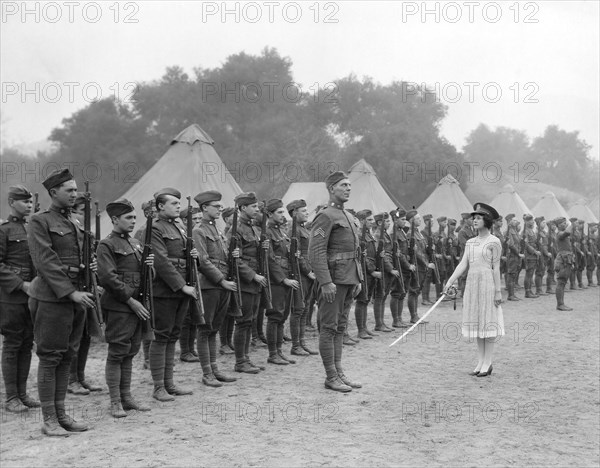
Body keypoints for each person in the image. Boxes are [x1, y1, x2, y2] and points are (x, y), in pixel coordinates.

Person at [28, 169, 93, 436]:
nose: (74, 194)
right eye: (69, 190)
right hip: (53, 298)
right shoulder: (38, 221)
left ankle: (61, 414)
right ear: (54, 192)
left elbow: (78, 258)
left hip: (76, 297)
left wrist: (91, 268)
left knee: (68, 355)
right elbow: (45, 262)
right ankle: (49, 419)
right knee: (51, 356)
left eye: (76, 190)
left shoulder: (75, 222)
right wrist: (70, 293)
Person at [96, 198, 153, 417]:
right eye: (128, 218)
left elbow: (147, 278)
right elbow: (108, 278)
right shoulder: (106, 245)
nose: (132, 221)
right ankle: (115, 402)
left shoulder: (136, 244)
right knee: (118, 352)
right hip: (121, 306)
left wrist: (150, 267)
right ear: (114, 219)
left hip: (138, 305)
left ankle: (127, 397)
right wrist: (131, 301)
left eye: (134, 218)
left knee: (131, 351)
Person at [308, 171, 362, 392]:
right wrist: (325, 281)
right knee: (328, 328)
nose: (348, 188)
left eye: (350, 185)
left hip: (348, 279)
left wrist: (358, 279)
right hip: (334, 281)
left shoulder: (347, 216)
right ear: (331, 189)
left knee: (340, 328)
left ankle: (339, 372)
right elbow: (316, 251)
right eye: (343, 185)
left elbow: (356, 251)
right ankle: (331, 376)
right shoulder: (325, 216)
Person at [444, 203, 504, 377]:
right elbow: (464, 264)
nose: (475, 220)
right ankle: (480, 361)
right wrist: (450, 282)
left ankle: (488, 361)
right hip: (472, 284)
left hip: (487, 284)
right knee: (477, 323)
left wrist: (498, 291)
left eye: (479, 218)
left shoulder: (494, 241)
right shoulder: (470, 242)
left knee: (488, 321)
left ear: (487, 221)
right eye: (474, 218)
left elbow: (496, 267)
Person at [149, 188, 195, 402]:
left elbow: (181, 256)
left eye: (179, 203)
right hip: (164, 290)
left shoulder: (179, 227)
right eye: (174, 203)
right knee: (161, 336)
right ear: (160, 206)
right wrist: (181, 285)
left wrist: (192, 253)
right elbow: (161, 260)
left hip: (182, 288)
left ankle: (169, 383)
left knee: (173, 336)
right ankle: (158, 387)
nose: (178, 206)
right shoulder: (155, 228)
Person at [0, 185, 40, 413]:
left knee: (26, 343)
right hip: (11, 297)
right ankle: (11, 397)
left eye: (30, 201)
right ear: (11, 202)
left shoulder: (32, 228)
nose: (28, 205)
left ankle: (23, 394)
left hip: (32, 296)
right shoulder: (3, 230)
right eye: (24, 201)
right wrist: (21, 284)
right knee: (13, 344)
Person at [192, 191, 238, 387]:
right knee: (205, 330)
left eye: (220, 206)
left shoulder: (218, 231)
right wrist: (221, 281)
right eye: (216, 206)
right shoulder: (199, 231)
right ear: (204, 208)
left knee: (214, 329)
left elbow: (222, 257)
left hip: (222, 284)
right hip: (210, 285)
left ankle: (214, 368)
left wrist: (233, 254)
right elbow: (203, 261)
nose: (220, 209)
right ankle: (207, 373)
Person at [229, 192, 269, 374]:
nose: (256, 209)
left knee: (250, 321)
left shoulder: (253, 228)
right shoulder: (235, 230)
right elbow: (235, 259)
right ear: (243, 208)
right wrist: (253, 276)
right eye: (253, 206)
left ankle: (245, 359)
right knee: (243, 321)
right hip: (244, 281)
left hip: (254, 281)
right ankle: (240, 362)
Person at [67, 193, 103, 395]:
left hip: (86, 287)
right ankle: (70, 380)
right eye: (82, 212)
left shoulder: (84, 232)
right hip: (73, 289)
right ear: (73, 212)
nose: (85, 217)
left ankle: (80, 377)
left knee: (85, 335)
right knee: (74, 336)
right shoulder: (71, 231)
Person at [264, 199, 299, 364]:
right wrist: (283, 279)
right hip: (276, 279)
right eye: (279, 212)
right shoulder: (267, 232)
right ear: (269, 214)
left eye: (283, 212)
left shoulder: (281, 232)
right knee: (275, 316)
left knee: (282, 316)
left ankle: (279, 351)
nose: (282, 215)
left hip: (286, 276)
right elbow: (270, 259)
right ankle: (272, 354)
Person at [286, 199, 318, 356]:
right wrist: (308, 272)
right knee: (298, 309)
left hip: (308, 273)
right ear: (294, 213)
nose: (306, 213)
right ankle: (296, 345)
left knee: (304, 308)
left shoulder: (303, 229)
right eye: (303, 210)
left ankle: (302, 342)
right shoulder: (293, 230)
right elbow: (296, 255)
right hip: (300, 273)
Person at [554, 217, 575, 311]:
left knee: (563, 282)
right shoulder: (559, 234)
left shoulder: (564, 235)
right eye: (562, 223)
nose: (564, 224)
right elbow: (567, 232)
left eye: (565, 223)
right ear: (558, 225)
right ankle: (560, 304)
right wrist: (572, 224)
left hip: (566, 260)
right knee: (561, 282)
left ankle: (561, 304)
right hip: (563, 261)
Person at [505, 214, 524, 301]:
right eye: (514, 220)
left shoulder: (514, 230)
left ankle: (512, 294)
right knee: (511, 274)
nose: (516, 222)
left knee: (513, 274)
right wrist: (518, 254)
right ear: (510, 222)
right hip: (513, 255)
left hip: (515, 255)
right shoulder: (509, 231)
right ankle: (510, 295)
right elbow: (511, 245)